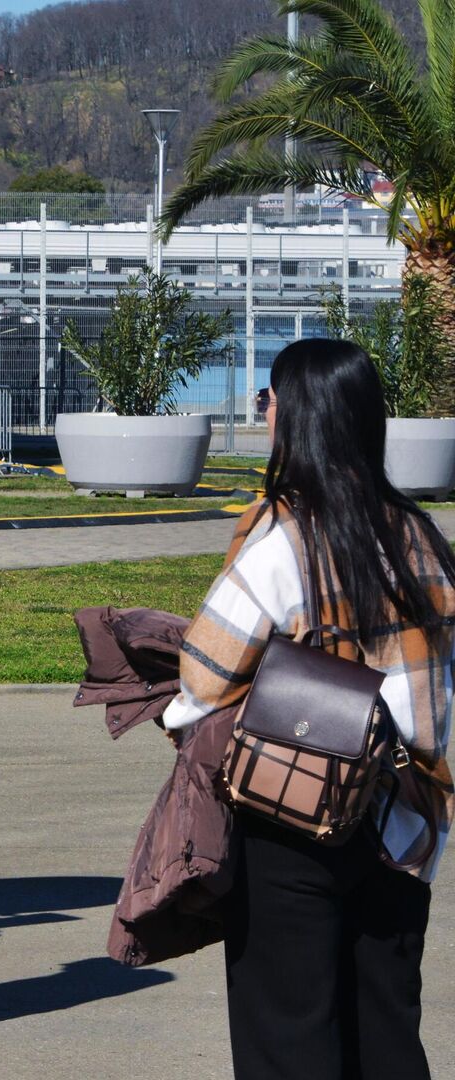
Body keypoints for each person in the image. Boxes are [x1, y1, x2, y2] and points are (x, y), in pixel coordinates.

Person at [162, 339, 455, 1080]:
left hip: (295, 822)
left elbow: (202, 675)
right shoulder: (422, 536)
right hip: (405, 822)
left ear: (294, 418)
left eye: (268, 400)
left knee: (288, 1036)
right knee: (387, 1033)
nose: (265, 413)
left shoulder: (284, 539)